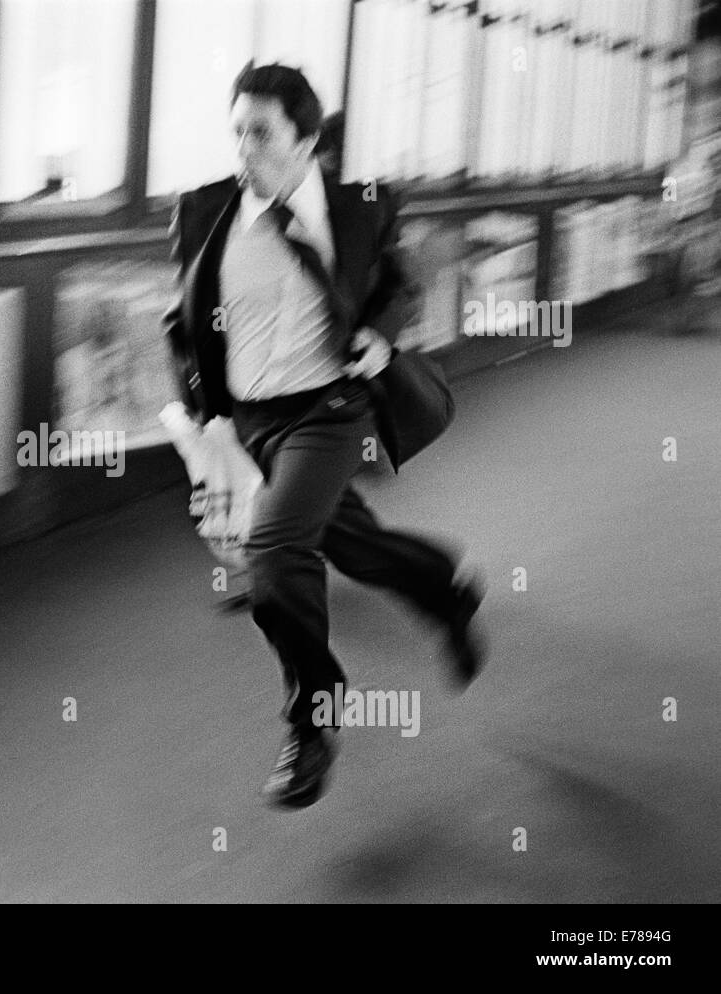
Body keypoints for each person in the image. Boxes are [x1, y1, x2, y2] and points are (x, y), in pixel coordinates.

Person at [161, 63, 485, 809]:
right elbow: (183, 326)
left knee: (274, 551)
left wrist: (378, 330)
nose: (244, 148)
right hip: (248, 417)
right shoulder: (204, 210)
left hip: (329, 409)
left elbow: (400, 284)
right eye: (237, 130)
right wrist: (208, 416)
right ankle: (445, 592)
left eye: (262, 133)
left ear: (306, 139)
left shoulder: (361, 209)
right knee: (348, 544)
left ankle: (312, 724)